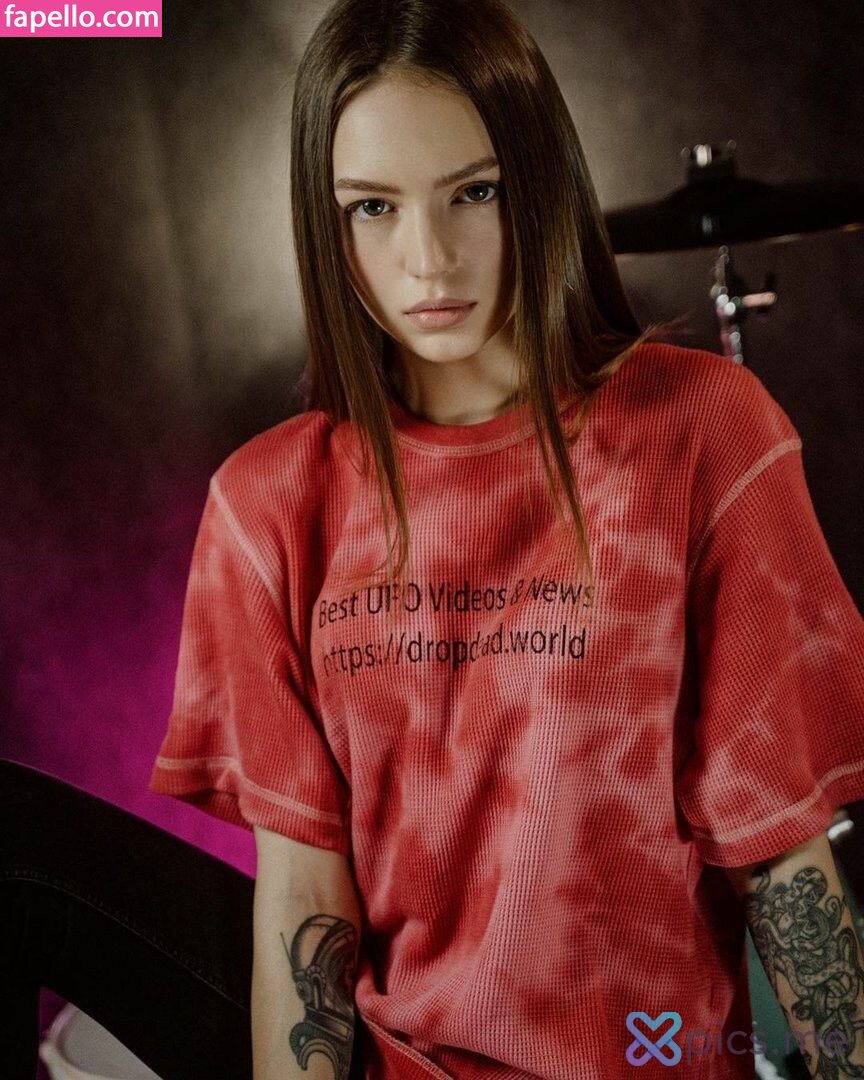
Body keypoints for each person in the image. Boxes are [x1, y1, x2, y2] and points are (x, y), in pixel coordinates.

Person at [2, 0, 864, 1078]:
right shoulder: (269, 503)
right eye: (372, 208)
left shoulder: (703, 434)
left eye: (475, 192)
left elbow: (780, 857)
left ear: (538, 183)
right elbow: (304, 905)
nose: (427, 258)